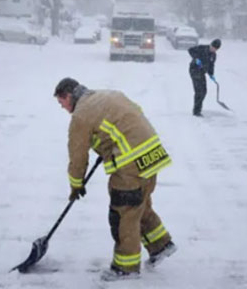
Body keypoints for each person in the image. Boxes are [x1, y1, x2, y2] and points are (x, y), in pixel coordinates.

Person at [54, 77, 176, 281]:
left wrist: (76, 184)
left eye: (61, 102)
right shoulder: (108, 95)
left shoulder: (81, 115)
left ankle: (125, 268)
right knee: (139, 204)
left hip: (130, 163)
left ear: (68, 95)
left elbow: (77, 155)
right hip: (153, 154)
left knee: (123, 213)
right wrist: (109, 144)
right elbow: (132, 116)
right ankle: (161, 245)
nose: (62, 107)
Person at [188, 39, 221, 117]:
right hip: (194, 70)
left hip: (202, 72)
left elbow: (211, 65)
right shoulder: (202, 48)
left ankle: (197, 109)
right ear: (211, 45)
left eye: (215, 49)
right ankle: (196, 111)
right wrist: (196, 59)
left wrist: (211, 74)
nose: (213, 50)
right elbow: (190, 50)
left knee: (204, 91)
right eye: (213, 47)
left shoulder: (213, 55)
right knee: (199, 91)